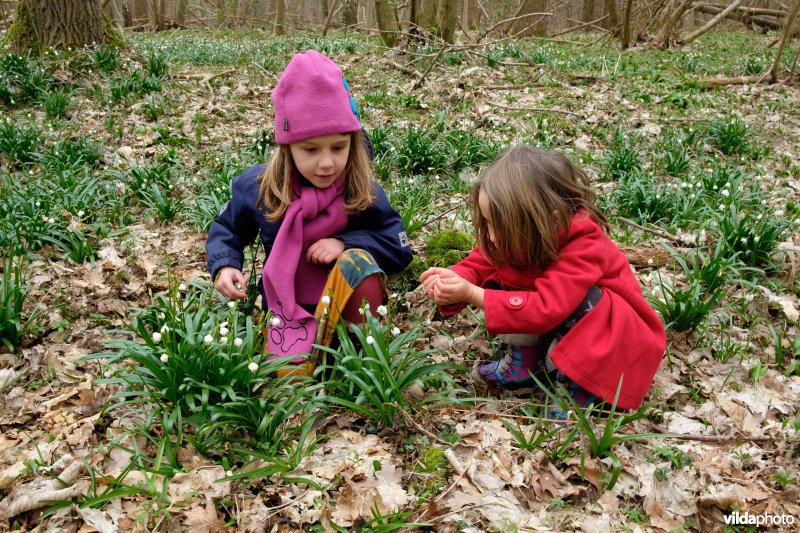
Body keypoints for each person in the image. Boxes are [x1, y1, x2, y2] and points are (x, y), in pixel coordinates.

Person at [206, 50, 413, 376]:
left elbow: (398, 247)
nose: (327, 162)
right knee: (291, 380)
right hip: (288, 310)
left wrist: (346, 243)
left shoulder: (361, 188)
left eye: (338, 147)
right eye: (311, 150)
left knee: (358, 263)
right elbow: (227, 227)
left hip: (345, 307)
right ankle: (298, 350)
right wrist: (225, 264)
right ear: (287, 148)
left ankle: (357, 357)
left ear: (353, 142)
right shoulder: (261, 188)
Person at [419, 145, 665, 411]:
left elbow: (548, 307)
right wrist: (455, 280)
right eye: (487, 223)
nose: (490, 236)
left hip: (616, 345)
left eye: (498, 226)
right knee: (516, 275)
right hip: (568, 329)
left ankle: (580, 388)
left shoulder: (584, 242)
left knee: (586, 301)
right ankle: (523, 365)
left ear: (551, 219)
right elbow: (481, 262)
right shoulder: (521, 235)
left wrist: (473, 294)